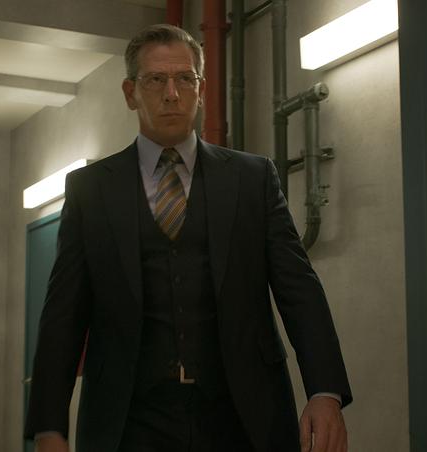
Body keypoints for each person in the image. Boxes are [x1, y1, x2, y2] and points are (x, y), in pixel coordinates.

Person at [24, 24, 351, 452]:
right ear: (130, 93)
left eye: (184, 78)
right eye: (155, 80)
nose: (171, 93)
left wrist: (325, 391)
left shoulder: (252, 179)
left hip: (243, 415)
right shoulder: (91, 190)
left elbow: (299, 289)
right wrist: (49, 427)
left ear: (202, 89)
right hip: (127, 422)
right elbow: (63, 313)